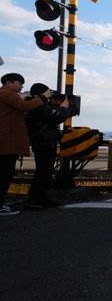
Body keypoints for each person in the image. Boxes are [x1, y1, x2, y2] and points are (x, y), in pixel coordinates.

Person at [0, 73, 49, 215]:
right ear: (9, 83)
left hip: (7, 140)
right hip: (7, 141)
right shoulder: (7, 93)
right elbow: (24, 106)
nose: (22, 86)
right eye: (19, 83)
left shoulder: (7, 94)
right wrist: (43, 97)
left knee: (5, 172)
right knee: (4, 174)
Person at [24, 83, 74, 209]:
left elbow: (49, 120)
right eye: (48, 92)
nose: (50, 95)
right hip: (43, 142)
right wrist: (64, 108)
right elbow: (55, 118)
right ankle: (35, 199)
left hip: (44, 141)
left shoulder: (36, 105)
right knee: (43, 172)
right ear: (41, 93)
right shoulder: (38, 105)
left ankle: (40, 198)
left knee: (45, 172)